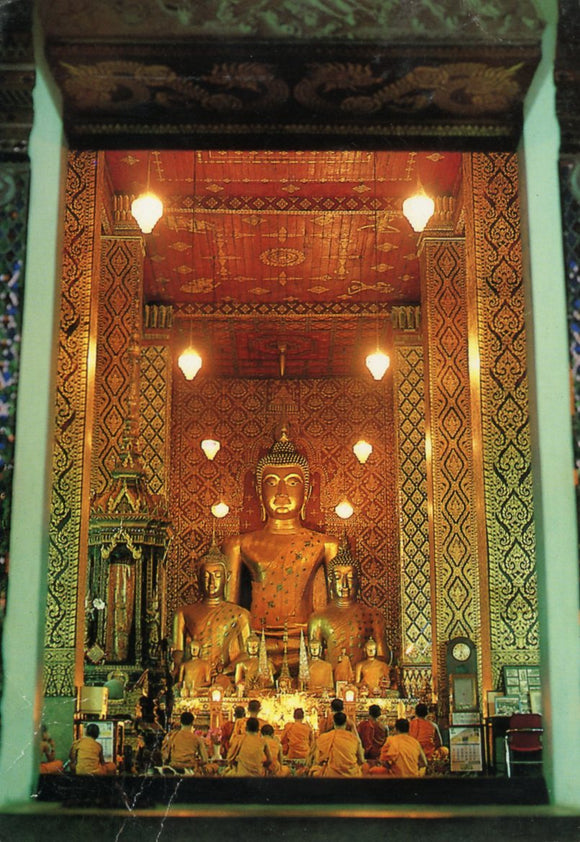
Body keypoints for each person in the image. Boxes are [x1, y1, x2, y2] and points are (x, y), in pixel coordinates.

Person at [223, 429, 339, 666]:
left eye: (292, 482)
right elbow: (228, 616)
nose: (282, 493)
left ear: (306, 493)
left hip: (306, 643)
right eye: (272, 483)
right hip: (256, 643)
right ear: (259, 491)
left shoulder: (326, 544)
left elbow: (337, 615)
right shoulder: (238, 545)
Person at [308, 541, 391, 669]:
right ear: (330, 581)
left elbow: (382, 656)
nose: (345, 584)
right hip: (329, 681)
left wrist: (366, 669)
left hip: (362, 681)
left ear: (359, 582)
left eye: (351, 577)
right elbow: (313, 661)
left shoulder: (373, 616)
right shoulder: (318, 618)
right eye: (338, 577)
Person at [172, 546, 252, 676]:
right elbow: (178, 652)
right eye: (206, 576)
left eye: (218, 576)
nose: (211, 582)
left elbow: (248, 653)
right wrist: (178, 667)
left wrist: (227, 669)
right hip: (195, 676)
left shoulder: (240, 614)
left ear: (227, 577)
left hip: (225, 677)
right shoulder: (183, 613)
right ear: (198, 578)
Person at [310, 712, 364, 777]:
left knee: (315, 770)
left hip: (330, 775)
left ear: (333, 722)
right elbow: (361, 760)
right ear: (346, 723)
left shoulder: (324, 737)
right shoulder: (353, 738)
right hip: (351, 775)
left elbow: (317, 760)